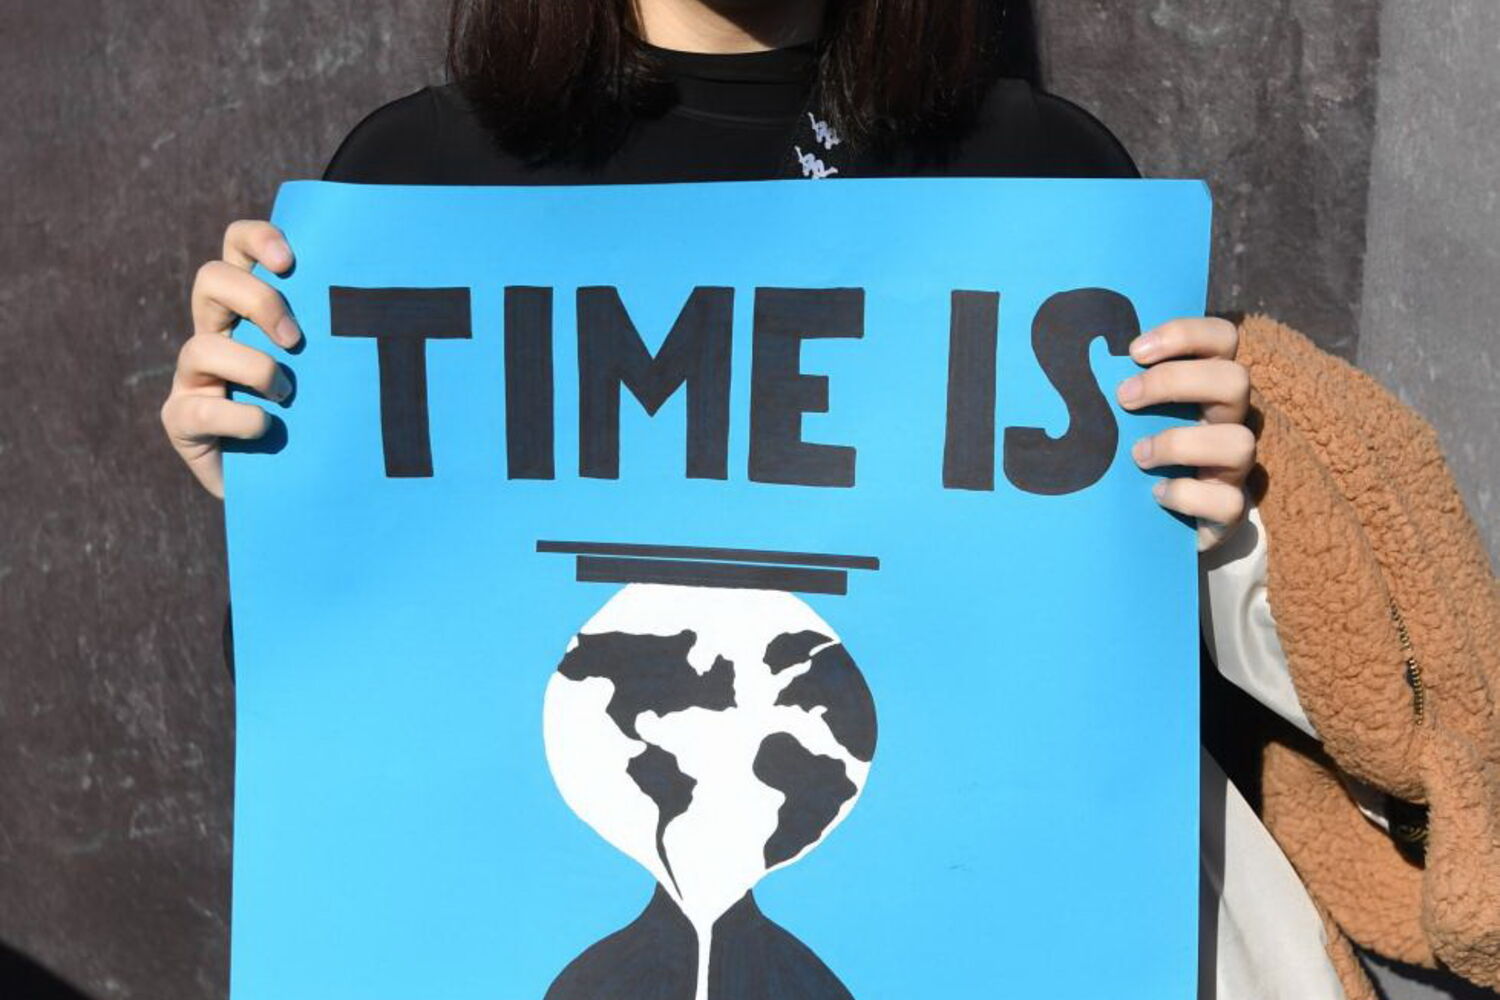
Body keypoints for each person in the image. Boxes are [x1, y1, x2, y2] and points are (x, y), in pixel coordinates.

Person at [158, 2, 1492, 998]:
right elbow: (360, 724)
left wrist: (1224, 507)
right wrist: (271, 484)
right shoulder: (417, 178)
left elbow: (1087, 690)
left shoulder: (1036, 176)